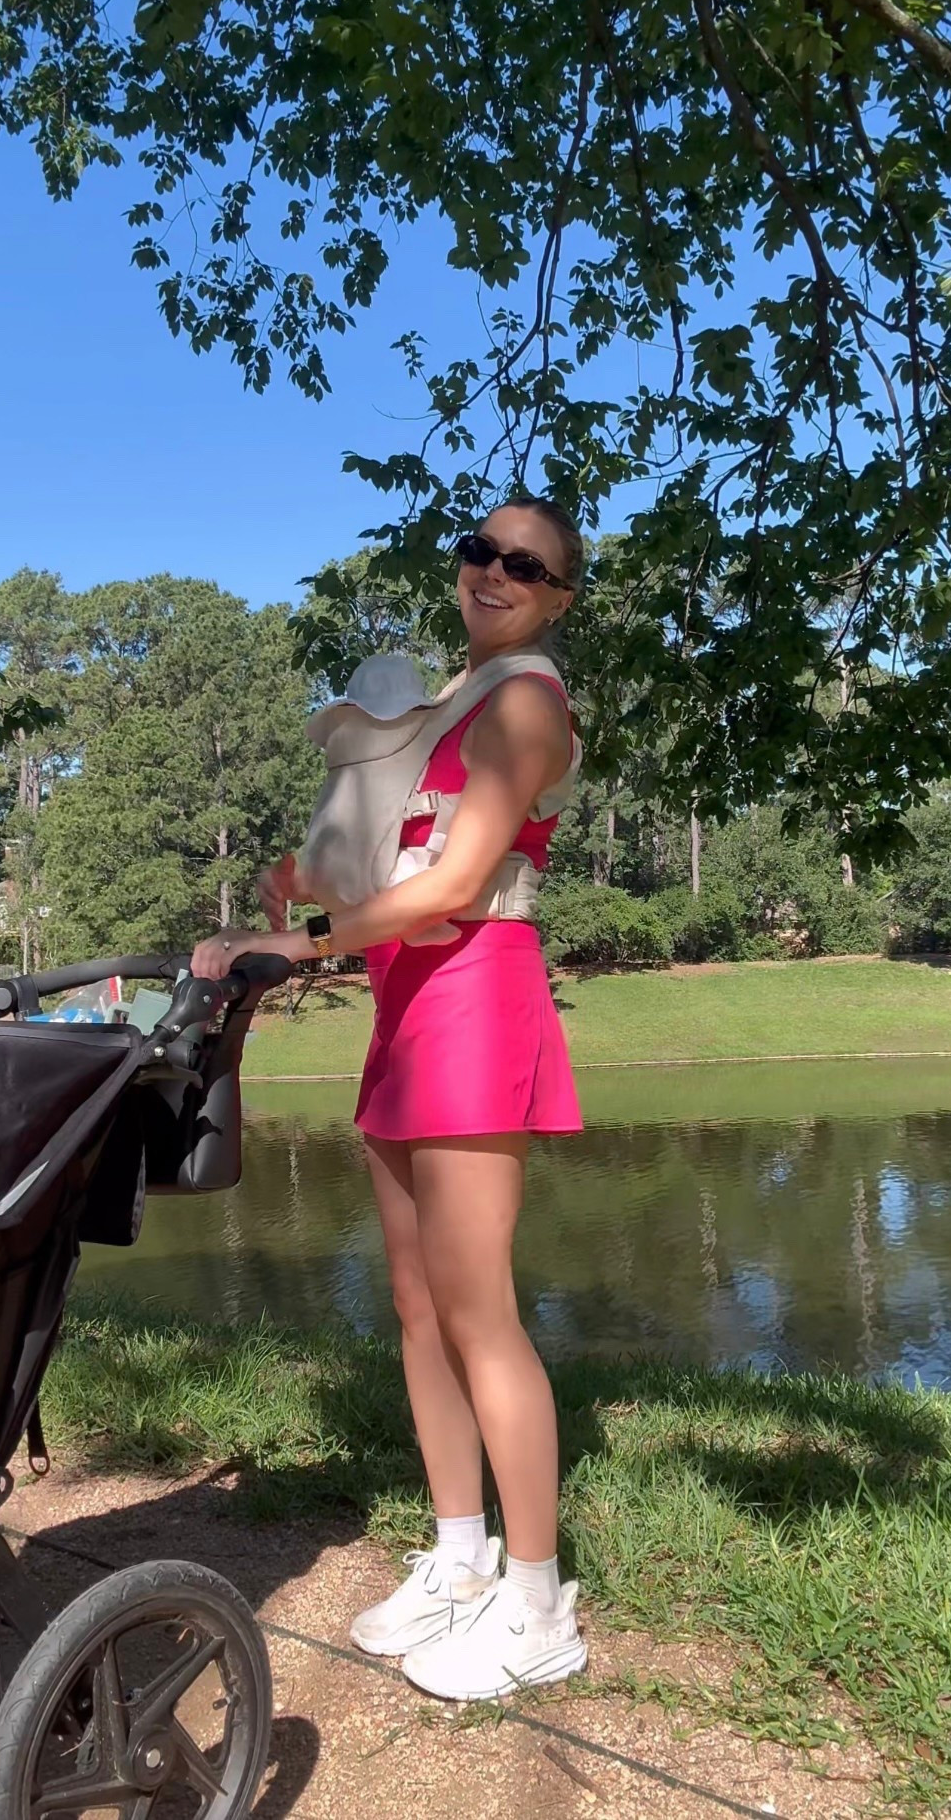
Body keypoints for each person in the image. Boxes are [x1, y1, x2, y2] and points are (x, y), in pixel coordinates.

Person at [191, 497, 587, 1701]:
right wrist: (301, 877)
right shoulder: (444, 706)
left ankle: (539, 1604)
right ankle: (462, 1559)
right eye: (479, 550)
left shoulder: (527, 701)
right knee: (418, 1303)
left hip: (477, 996)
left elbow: (457, 883)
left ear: (557, 597)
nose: (492, 571)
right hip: (410, 1009)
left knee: (478, 1310)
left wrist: (298, 941)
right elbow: (385, 855)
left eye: (524, 564)